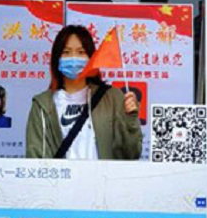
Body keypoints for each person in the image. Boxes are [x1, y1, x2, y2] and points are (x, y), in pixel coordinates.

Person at [25, 25, 142, 159]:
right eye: (66, 52)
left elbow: (132, 154)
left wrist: (130, 119)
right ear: (57, 58)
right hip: (61, 173)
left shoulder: (112, 98)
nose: (74, 58)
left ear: (91, 57)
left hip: (102, 174)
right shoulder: (42, 105)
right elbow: (36, 157)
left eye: (81, 52)